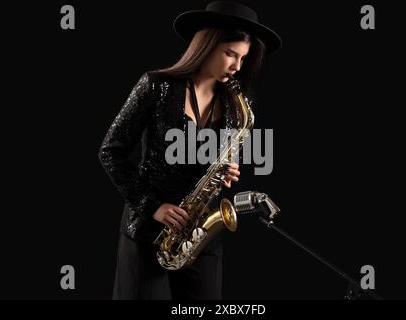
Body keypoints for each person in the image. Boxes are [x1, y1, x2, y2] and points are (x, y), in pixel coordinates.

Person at [98, 1, 281, 300]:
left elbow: (219, 161)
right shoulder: (156, 86)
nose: (237, 66)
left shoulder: (239, 107)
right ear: (206, 45)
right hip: (147, 232)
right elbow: (110, 152)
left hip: (200, 236)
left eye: (243, 58)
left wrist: (227, 172)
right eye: (230, 54)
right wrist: (153, 206)